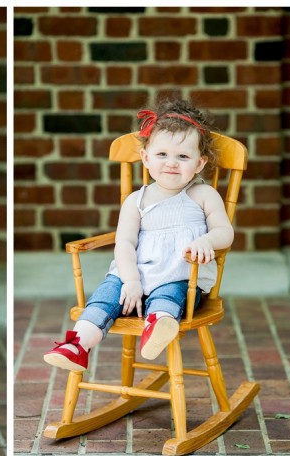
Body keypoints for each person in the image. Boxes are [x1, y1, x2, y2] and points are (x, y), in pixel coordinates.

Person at [43, 98, 233, 372]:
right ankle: (77, 345)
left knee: (169, 294)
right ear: (145, 158)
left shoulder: (203, 195)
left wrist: (207, 240)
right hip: (132, 276)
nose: (171, 163)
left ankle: (158, 325)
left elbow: (224, 232)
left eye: (183, 156)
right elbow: (125, 243)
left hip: (179, 276)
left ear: (200, 163)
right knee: (106, 294)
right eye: (162, 154)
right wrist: (131, 280)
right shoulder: (136, 200)